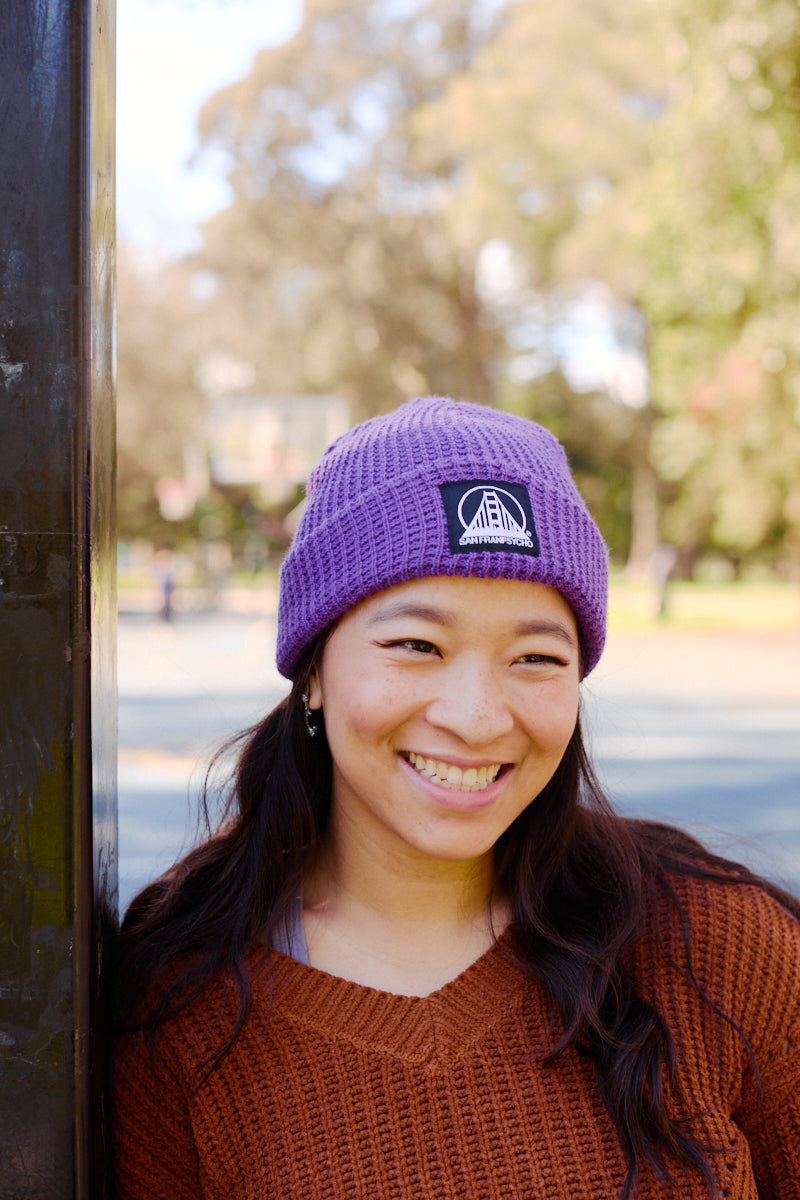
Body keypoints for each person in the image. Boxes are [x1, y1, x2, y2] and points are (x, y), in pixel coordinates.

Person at [113, 396, 800, 1200]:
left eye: (536, 658)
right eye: (417, 644)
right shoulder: (180, 1003)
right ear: (313, 671)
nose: (476, 718)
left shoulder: (723, 946)